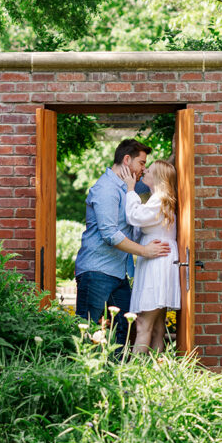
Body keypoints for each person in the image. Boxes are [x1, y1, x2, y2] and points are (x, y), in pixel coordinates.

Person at [74, 139, 171, 346]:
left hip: (118, 273)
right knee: (87, 329)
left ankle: (117, 375)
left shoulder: (127, 189)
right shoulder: (106, 189)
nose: (143, 169)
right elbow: (110, 234)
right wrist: (145, 251)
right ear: (127, 160)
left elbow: (132, 226)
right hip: (96, 271)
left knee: (124, 332)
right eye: (142, 163)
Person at [115, 159, 179, 354]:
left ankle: (134, 375)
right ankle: (154, 374)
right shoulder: (160, 200)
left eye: (149, 171)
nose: (145, 173)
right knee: (157, 327)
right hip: (156, 261)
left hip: (156, 263)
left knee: (143, 323)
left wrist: (130, 189)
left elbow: (135, 216)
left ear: (157, 177)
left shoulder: (160, 199)